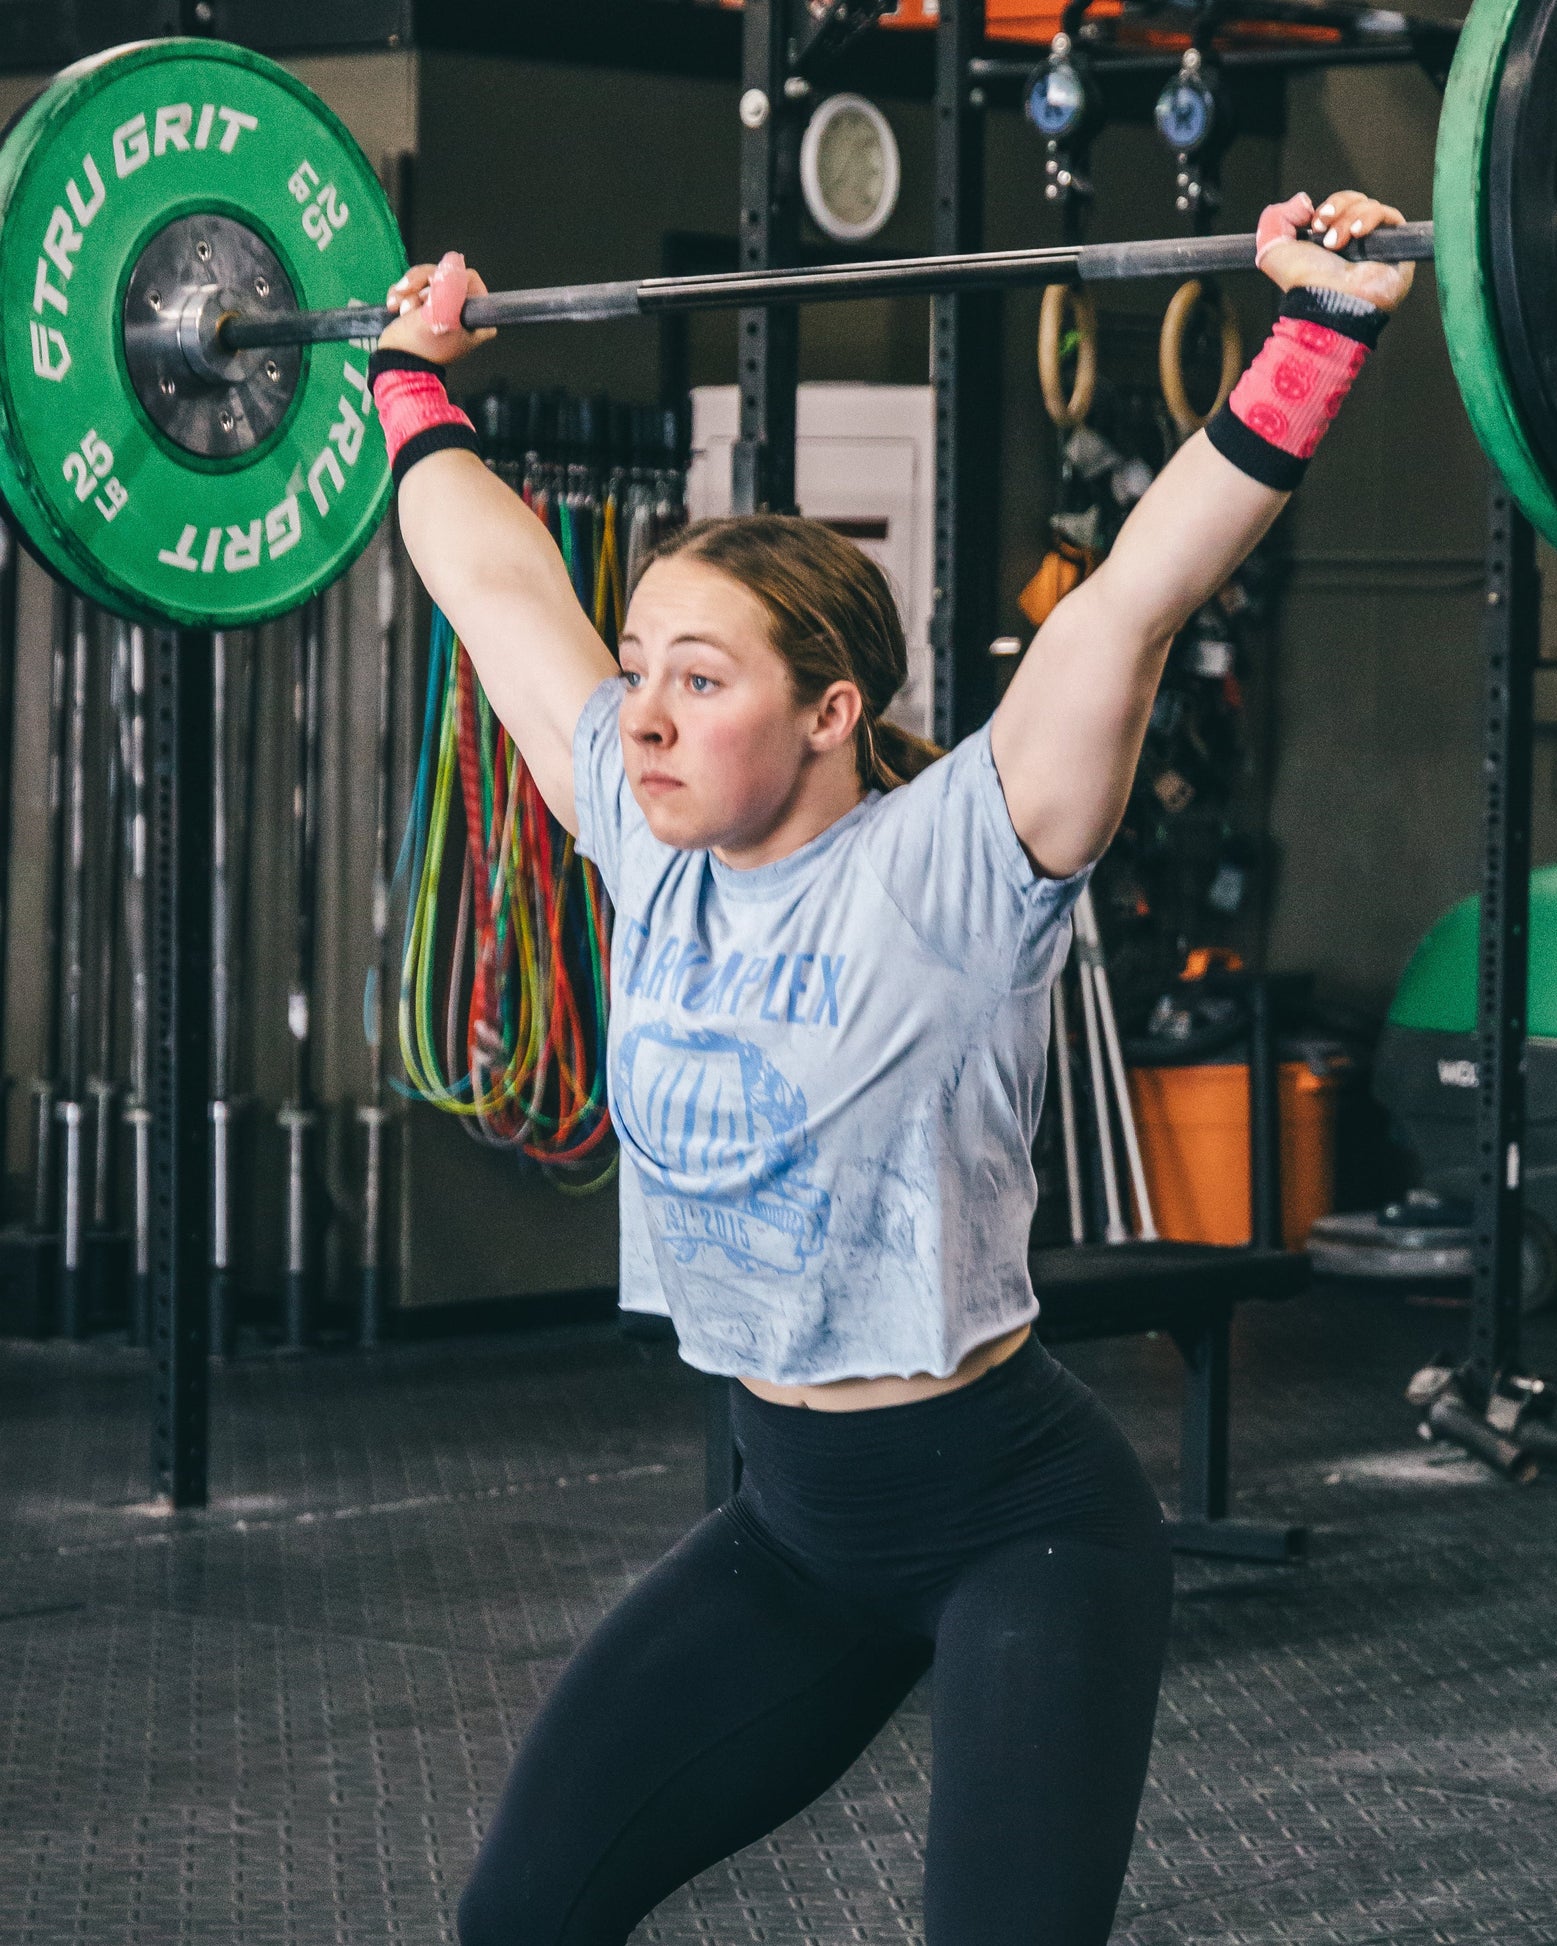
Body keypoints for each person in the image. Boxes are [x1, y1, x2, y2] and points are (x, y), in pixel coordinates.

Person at [372, 185, 1413, 1946]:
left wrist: (1319, 329)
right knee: (518, 1917)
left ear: (831, 711)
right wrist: (413, 380)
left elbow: (1135, 597)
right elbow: (490, 577)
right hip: (792, 1532)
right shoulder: (644, 833)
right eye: (639, 669)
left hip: (1021, 1526)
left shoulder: (960, 858)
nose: (643, 713)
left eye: (702, 681)